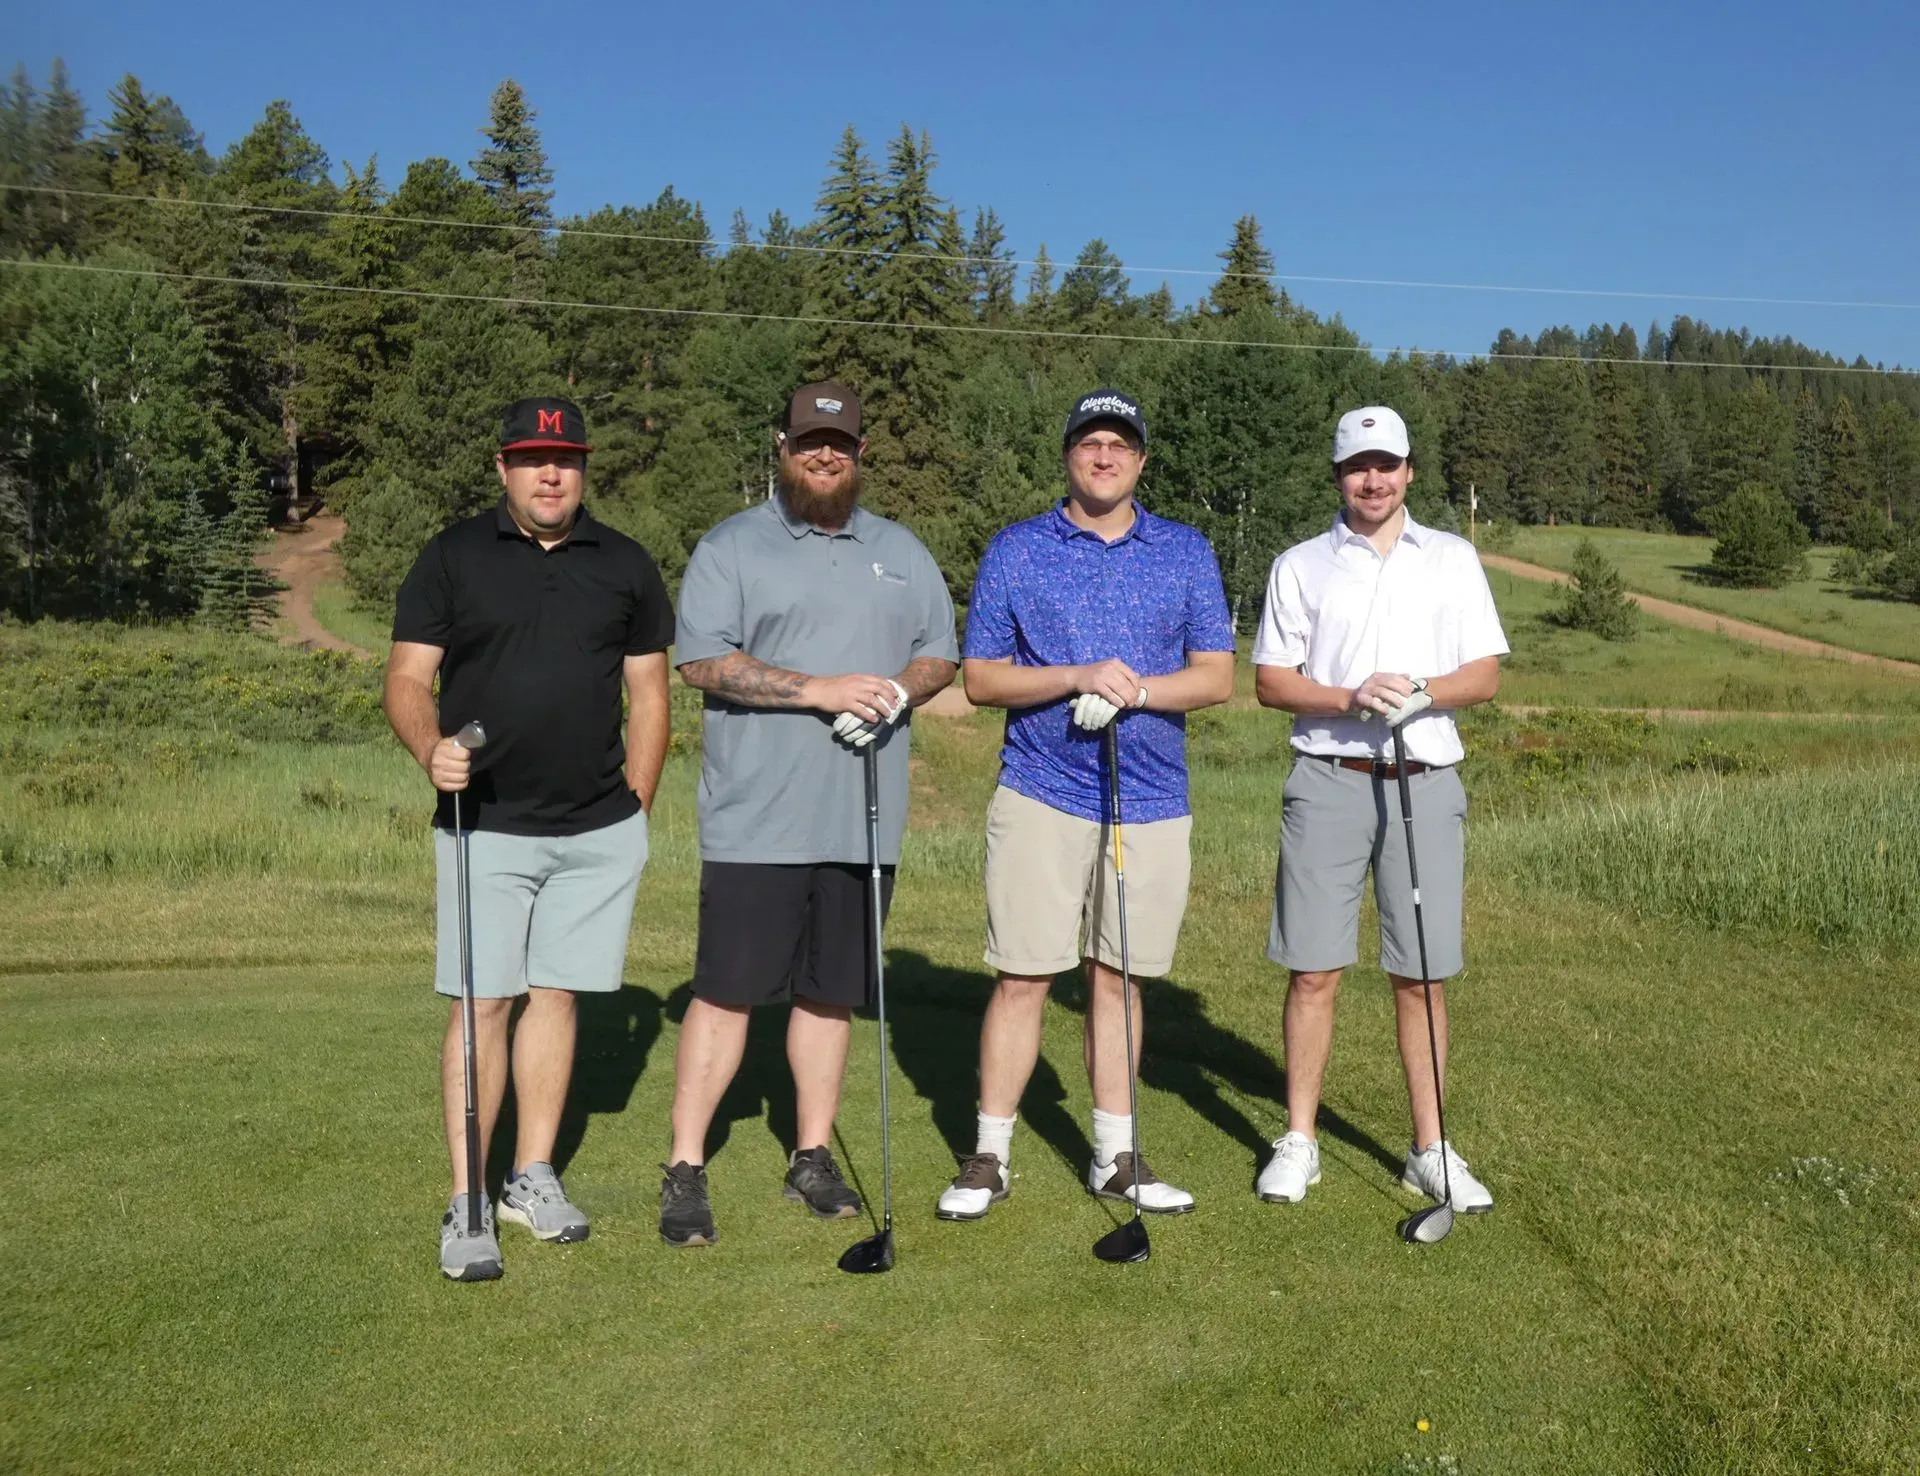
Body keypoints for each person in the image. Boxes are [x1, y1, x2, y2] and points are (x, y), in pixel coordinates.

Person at [662, 380, 959, 1248]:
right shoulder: (734, 546)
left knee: (832, 996)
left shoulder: (902, 551)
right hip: (759, 816)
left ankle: (812, 1154)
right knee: (725, 993)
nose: (824, 455)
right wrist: (817, 690)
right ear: (783, 449)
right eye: (808, 443)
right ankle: (685, 1166)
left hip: (862, 818)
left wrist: (899, 690)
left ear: (861, 455)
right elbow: (703, 663)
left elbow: (938, 654)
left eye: (840, 444)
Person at [385, 396, 674, 1282]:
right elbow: (407, 676)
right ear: (502, 468)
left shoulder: (625, 564)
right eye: (531, 458)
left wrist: (635, 806)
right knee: (483, 1003)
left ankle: (530, 1176)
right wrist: (427, 745)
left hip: (597, 830)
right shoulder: (453, 556)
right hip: (488, 825)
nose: (551, 473)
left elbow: (652, 698)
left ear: (584, 467)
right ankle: (468, 1199)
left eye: (566, 457)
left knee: (557, 997)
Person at [936, 388, 1235, 1223]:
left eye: (1121, 445)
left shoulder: (1184, 551)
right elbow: (983, 677)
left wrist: (1135, 689)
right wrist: (1074, 676)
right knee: (1025, 974)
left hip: (1150, 800)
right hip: (1042, 790)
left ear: (1141, 460)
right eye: (1090, 443)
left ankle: (1115, 1156)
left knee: (1121, 978)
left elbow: (1215, 677)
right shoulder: (1018, 549)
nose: (1105, 457)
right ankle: (989, 1156)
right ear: (1069, 454)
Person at [1250, 405, 1507, 1213]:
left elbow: (1485, 673)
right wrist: (1351, 697)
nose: (1373, 479)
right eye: (1359, 466)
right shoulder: (1300, 564)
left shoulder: (1453, 558)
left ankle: (1430, 1150)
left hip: (1424, 780)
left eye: (1387, 465)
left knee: (1422, 975)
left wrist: (1422, 692)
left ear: (1409, 473)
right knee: (1314, 968)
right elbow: (1270, 681)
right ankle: (1299, 1139)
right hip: (1328, 776)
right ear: (1338, 475)